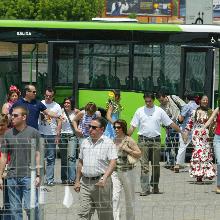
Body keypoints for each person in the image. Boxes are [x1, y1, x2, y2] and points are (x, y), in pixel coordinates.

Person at [128, 92, 184, 195]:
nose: (148, 103)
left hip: (156, 141)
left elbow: (170, 123)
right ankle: (145, 189)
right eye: (146, 101)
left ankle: (155, 186)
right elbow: (133, 126)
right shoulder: (139, 111)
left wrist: (181, 132)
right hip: (143, 141)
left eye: (149, 101)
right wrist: (126, 137)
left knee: (155, 165)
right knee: (144, 165)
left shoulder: (159, 111)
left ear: (153, 100)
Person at [0, 106, 40, 220]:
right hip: (12, 177)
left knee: (31, 207)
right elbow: (3, 156)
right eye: (12, 115)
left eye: (15, 115)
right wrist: (0, 176)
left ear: (24, 117)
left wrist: (38, 174)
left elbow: (38, 154)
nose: (12, 117)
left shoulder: (34, 133)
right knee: (15, 210)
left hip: (29, 176)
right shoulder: (7, 134)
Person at [74, 117, 117, 220]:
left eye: (94, 127)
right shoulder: (85, 142)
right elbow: (80, 162)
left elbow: (113, 162)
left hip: (101, 183)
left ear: (101, 129)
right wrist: (77, 181)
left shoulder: (108, 142)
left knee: (105, 215)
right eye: (89, 126)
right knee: (83, 214)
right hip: (85, 183)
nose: (90, 129)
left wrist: (105, 178)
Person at [113, 119, 141, 220]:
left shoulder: (129, 140)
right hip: (115, 172)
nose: (116, 129)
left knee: (129, 198)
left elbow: (139, 154)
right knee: (115, 198)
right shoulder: (113, 139)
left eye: (118, 127)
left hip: (128, 172)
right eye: (115, 127)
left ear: (123, 128)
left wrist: (127, 149)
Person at [184, 95, 216, 182]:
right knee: (199, 153)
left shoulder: (210, 112)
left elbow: (214, 124)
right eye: (204, 100)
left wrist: (212, 134)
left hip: (206, 135)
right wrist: (186, 134)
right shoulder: (195, 112)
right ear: (200, 101)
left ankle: (207, 173)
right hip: (197, 135)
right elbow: (190, 123)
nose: (205, 101)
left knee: (205, 154)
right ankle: (199, 174)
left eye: (207, 100)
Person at [38, 87, 62, 186]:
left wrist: (57, 134)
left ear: (53, 96)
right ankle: (40, 178)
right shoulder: (40, 103)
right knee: (39, 157)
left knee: (51, 158)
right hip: (40, 133)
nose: (48, 97)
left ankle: (50, 179)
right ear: (44, 95)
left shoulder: (57, 106)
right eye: (46, 95)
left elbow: (59, 121)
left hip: (51, 134)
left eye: (50, 96)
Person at [156, 91, 186, 169]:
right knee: (168, 144)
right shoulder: (160, 107)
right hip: (169, 127)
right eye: (159, 101)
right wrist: (165, 127)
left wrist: (181, 116)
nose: (161, 102)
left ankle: (177, 162)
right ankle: (170, 162)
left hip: (179, 124)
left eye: (162, 100)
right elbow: (161, 120)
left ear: (165, 96)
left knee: (177, 144)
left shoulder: (173, 98)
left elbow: (184, 106)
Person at [174, 92, 199, 173]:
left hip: (186, 129)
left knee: (182, 146)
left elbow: (181, 119)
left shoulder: (186, 106)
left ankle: (177, 164)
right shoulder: (198, 107)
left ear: (186, 99)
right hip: (195, 129)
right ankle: (197, 164)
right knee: (197, 147)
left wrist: (178, 119)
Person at [59, 97, 80, 185]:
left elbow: (83, 116)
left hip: (72, 136)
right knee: (63, 158)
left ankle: (72, 179)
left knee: (71, 158)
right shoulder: (61, 111)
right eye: (65, 103)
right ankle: (64, 178)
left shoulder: (76, 112)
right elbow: (58, 123)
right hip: (62, 135)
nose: (66, 104)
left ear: (71, 104)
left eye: (68, 103)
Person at [204, 100, 220, 192]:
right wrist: (202, 128)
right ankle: (218, 186)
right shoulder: (218, 109)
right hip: (218, 138)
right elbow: (210, 120)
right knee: (219, 161)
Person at [0, 114, 11, 220]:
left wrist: (3, 172)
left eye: (2, 125)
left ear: (6, 124)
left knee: (8, 200)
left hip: (7, 170)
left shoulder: (11, 136)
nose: (0, 127)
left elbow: (11, 155)